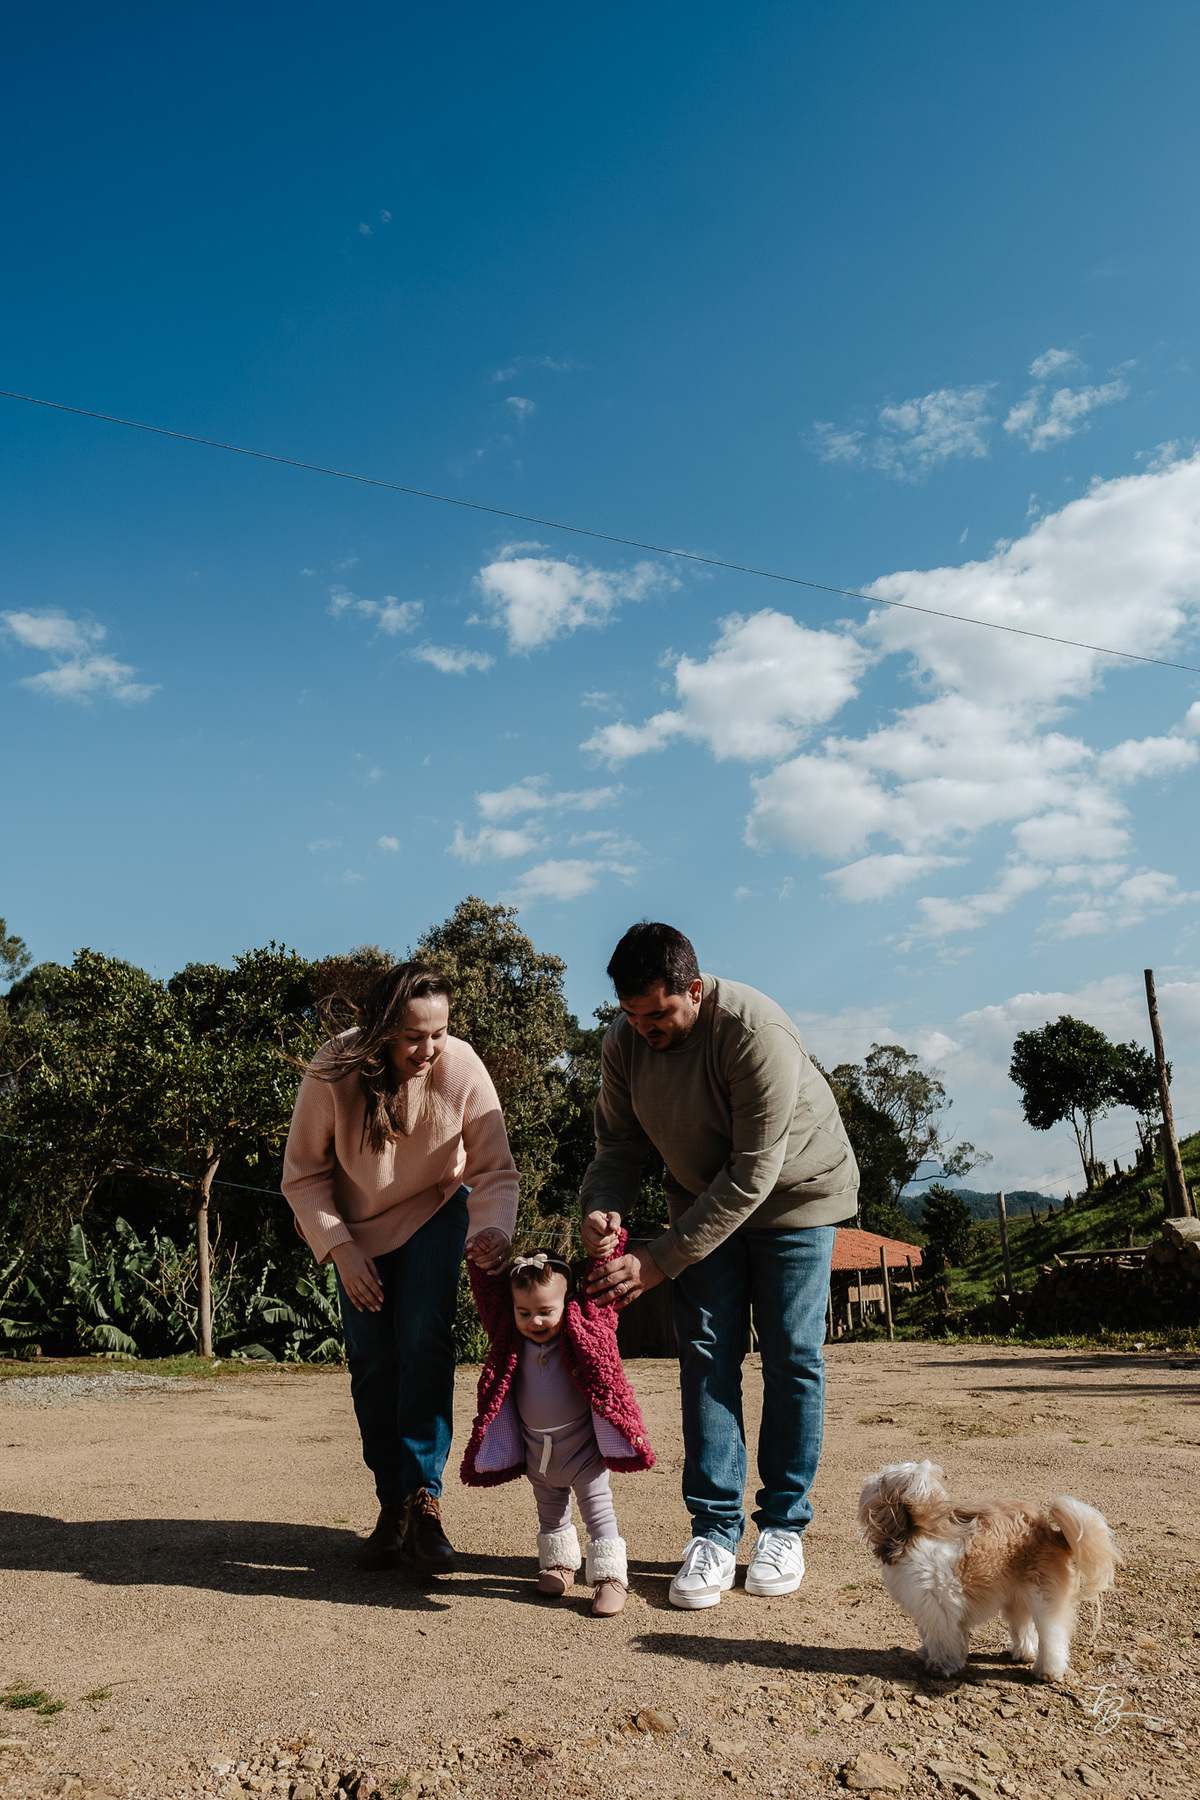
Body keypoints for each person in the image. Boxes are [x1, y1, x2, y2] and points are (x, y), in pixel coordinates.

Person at [581, 922, 859, 1610]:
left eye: (660, 1014)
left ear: (695, 990)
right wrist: (602, 1206)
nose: (645, 1028)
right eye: (632, 1014)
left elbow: (754, 1172)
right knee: (705, 1351)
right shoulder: (624, 1044)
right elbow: (616, 1146)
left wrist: (660, 1260)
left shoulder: (753, 1031)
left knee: (792, 1353)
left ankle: (783, 1527)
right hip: (704, 1194)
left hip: (796, 1196)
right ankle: (713, 1530)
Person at [282, 961, 518, 1575]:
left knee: (424, 1342)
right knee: (373, 1364)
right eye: (414, 1035)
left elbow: (494, 1167)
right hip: (357, 1231)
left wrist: (492, 1228)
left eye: (438, 1033)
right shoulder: (334, 1067)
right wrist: (338, 1245)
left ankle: (424, 1500)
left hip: (435, 1210)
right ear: (382, 1028)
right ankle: (392, 1505)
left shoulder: (460, 1066)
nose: (428, 1049)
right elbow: (303, 1175)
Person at [460, 1236, 655, 1616]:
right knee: (550, 1511)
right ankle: (559, 1565)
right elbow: (488, 1297)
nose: (534, 1321)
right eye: (524, 1312)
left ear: (567, 1304)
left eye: (546, 1311)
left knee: (598, 1511)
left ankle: (609, 1578)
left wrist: (604, 1250)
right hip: (537, 1452)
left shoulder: (584, 1329)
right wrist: (483, 1263)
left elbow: (604, 1288)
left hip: (582, 1449)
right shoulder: (507, 1337)